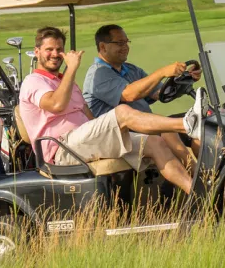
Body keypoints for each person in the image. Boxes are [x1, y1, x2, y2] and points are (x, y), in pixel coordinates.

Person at [19, 26, 203, 195]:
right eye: (49, 49)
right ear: (37, 52)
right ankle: (187, 124)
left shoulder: (66, 82)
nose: (55, 54)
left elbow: (87, 115)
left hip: (83, 141)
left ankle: (199, 194)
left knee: (156, 142)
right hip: (62, 148)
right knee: (122, 111)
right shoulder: (33, 81)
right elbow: (56, 105)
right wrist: (72, 67)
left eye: (59, 49)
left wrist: (184, 79)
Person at [83, 24, 201, 172]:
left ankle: (211, 172)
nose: (125, 47)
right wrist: (162, 72)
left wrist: (185, 80)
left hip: (142, 127)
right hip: (118, 134)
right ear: (103, 47)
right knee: (168, 129)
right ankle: (197, 173)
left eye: (126, 42)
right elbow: (129, 94)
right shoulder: (98, 74)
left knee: (202, 125)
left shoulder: (130, 69)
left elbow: (159, 93)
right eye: (120, 43)